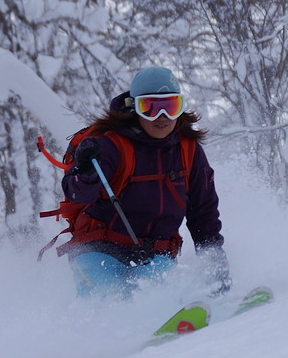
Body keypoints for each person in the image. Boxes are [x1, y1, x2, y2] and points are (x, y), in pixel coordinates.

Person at [61, 66, 231, 298]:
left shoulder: (188, 150)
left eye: (170, 107)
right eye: (149, 108)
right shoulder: (112, 146)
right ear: (134, 108)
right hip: (99, 249)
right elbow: (77, 194)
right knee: (108, 299)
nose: (162, 117)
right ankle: (105, 331)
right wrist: (87, 171)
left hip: (155, 254)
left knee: (159, 300)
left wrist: (214, 263)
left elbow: (203, 211)